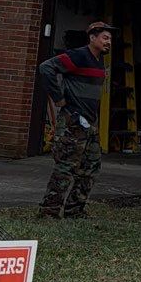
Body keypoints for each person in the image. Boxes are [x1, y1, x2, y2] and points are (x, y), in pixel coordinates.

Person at [38, 22, 113, 218]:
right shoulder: (78, 56)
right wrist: (58, 97)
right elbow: (46, 68)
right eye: (105, 38)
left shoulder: (99, 61)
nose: (108, 42)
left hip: (90, 123)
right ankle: (49, 211)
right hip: (73, 121)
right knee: (65, 167)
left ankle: (75, 210)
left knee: (91, 167)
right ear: (92, 38)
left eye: (110, 39)